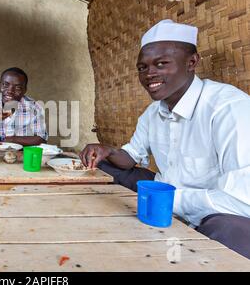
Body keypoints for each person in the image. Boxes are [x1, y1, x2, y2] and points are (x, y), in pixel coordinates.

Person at [80, 20, 250, 259]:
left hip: (212, 215)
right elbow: (131, 157)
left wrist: (169, 201)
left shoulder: (228, 108)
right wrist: (106, 151)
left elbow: (243, 201)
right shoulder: (153, 113)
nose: (149, 74)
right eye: (142, 67)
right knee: (106, 167)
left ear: (191, 62)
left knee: (232, 232)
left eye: (161, 64)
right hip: (162, 199)